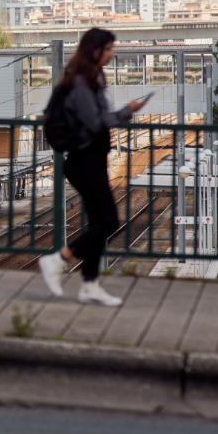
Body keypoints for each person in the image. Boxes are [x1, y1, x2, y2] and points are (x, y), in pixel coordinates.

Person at [39, 28, 149, 307]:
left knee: (100, 222)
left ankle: (89, 285)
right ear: (95, 50)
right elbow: (96, 123)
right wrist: (129, 110)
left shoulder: (91, 79)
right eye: (109, 49)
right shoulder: (80, 84)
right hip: (84, 161)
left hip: (91, 160)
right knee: (109, 221)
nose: (112, 54)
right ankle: (59, 259)